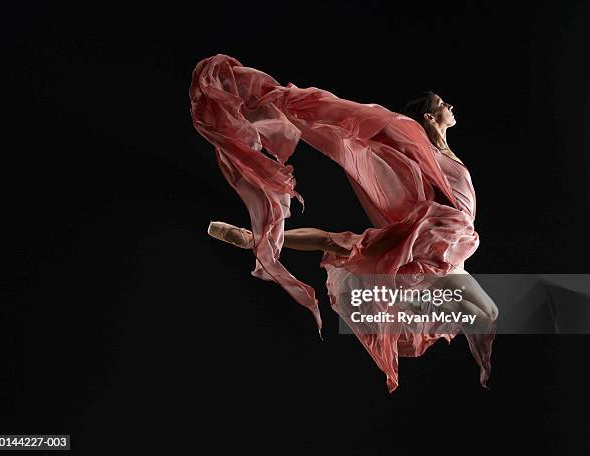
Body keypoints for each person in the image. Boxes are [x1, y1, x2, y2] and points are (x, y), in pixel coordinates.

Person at [191, 54, 498, 391]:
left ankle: (409, 303)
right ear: (429, 115)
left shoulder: (444, 150)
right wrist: (294, 104)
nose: (450, 106)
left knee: (488, 314)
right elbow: (360, 123)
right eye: (443, 103)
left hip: (455, 247)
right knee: (342, 245)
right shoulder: (413, 138)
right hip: (433, 234)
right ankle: (255, 238)